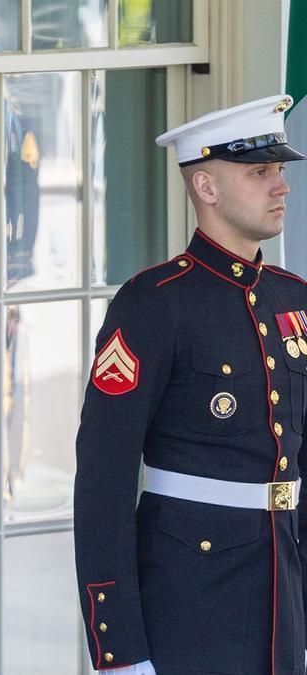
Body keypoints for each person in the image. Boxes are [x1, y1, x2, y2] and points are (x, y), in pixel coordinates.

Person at [74, 94, 307, 674]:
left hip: (285, 598)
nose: (281, 186)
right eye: (260, 172)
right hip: (188, 605)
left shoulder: (292, 298)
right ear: (206, 187)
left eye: (279, 171)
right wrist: (119, 650)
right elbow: (102, 484)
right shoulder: (153, 305)